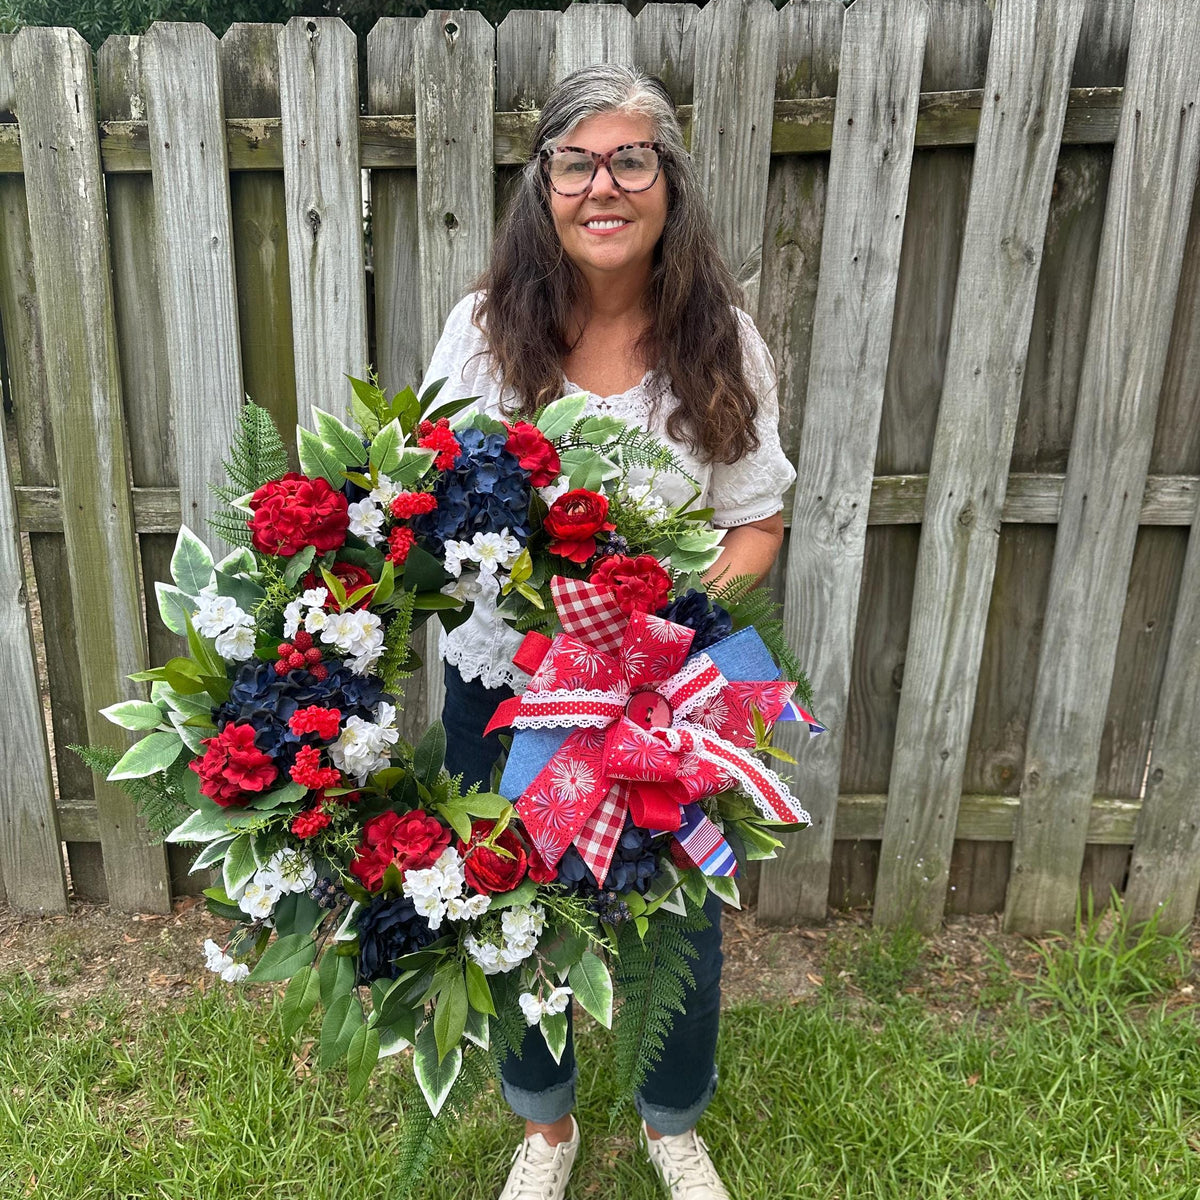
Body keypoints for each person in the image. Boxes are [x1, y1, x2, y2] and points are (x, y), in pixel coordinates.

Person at [417, 63, 796, 1200]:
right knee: (512, 901)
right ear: (542, 185)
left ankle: (672, 1118)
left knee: (676, 915)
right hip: (510, 685)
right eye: (576, 162)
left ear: (667, 182)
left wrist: (668, 634)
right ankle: (546, 1129)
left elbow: (756, 521)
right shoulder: (484, 336)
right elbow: (426, 502)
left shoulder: (723, 341)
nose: (603, 185)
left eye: (631, 158)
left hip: (659, 694)